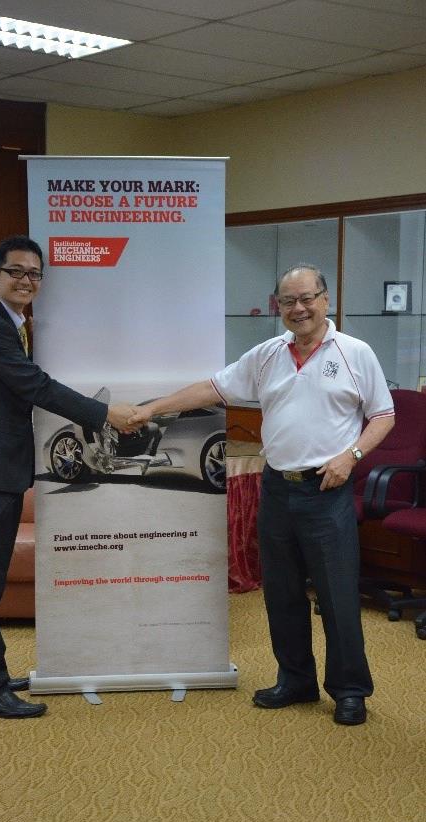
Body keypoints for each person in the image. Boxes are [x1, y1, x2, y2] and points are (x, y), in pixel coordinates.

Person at [129, 264, 394, 726]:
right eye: (289, 301)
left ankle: (350, 690)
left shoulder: (356, 353)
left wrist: (350, 455)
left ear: (326, 300)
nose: (299, 308)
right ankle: (296, 680)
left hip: (326, 490)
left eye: (307, 298)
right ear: (279, 308)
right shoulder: (268, 354)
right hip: (277, 487)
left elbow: (384, 416)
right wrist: (151, 408)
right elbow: (213, 387)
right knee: (282, 592)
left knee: (336, 596)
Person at [0, 235, 140, 719]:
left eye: (34, 274)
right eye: (15, 271)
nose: (26, 280)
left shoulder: (11, 324)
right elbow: (36, 387)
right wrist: (104, 415)